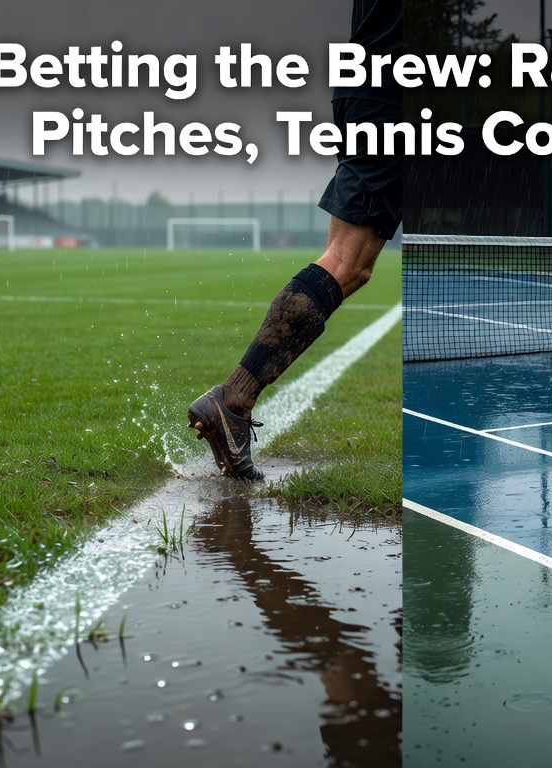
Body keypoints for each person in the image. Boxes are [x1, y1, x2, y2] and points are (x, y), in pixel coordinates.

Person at [188, 0, 403, 480]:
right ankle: (233, 400)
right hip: (391, 88)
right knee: (345, 261)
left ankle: (233, 401)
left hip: (373, 81)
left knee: (356, 268)